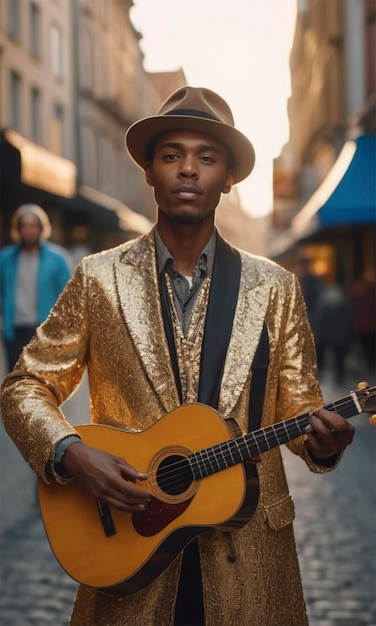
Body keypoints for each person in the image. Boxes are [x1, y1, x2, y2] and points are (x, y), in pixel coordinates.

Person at [1, 87, 354, 626]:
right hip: (128, 547)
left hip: (250, 555)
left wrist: (322, 443)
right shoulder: (99, 279)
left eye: (206, 157)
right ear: (149, 171)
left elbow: (298, 408)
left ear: (228, 178)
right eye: (171, 155)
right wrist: (72, 452)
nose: (188, 169)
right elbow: (24, 383)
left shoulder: (276, 287)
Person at [0, 204, 72, 371]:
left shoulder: (58, 259)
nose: (29, 231)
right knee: (16, 381)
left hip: (44, 332)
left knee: (42, 383)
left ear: (41, 228)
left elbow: (69, 297)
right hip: (14, 330)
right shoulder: (5, 259)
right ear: (18, 229)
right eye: (25, 226)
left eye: (34, 226)